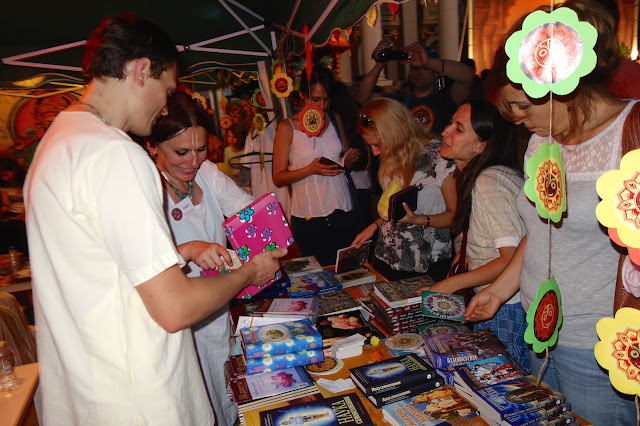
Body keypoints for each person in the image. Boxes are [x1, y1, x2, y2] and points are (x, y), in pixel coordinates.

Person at [24, 14, 285, 425]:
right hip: (139, 399)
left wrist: (185, 252)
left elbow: (110, 271)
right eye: (167, 90)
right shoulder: (113, 154)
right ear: (142, 70)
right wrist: (248, 272)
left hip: (89, 392)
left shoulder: (58, 142)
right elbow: (174, 308)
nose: (166, 105)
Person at [465, 1, 637, 423]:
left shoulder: (629, 136)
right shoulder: (544, 141)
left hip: (594, 345)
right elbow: (541, 230)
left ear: (564, 84)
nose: (519, 121)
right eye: (510, 111)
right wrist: (500, 290)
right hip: (537, 327)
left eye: (524, 107)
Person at [145, 90, 254, 426]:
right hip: (173, 323)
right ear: (153, 147)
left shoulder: (207, 173)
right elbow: (138, 267)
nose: (194, 161)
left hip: (215, 310)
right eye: (181, 152)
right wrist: (187, 250)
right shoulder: (144, 188)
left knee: (223, 400)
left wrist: (266, 236)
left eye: (201, 149)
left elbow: (247, 211)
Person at [414, 100, 528, 371]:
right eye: (451, 122)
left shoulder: (489, 182)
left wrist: (450, 285)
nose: (445, 131)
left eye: (459, 128)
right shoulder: (481, 175)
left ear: (481, 146)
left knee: (500, 383)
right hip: (497, 300)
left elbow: (510, 259)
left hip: (504, 305)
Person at [351, 98, 455, 281]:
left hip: (428, 262)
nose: (375, 152)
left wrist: (419, 220)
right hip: (387, 257)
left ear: (395, 134)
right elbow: (396, 206)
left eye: (378, 144)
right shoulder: (392, 154)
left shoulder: (441, 157)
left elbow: (455, 215)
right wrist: (374, 226)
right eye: (371, 146)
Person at [272, 65, 362, 266]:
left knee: (346, 270)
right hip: (309, 215)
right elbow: (278, 177)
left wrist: (351, 158)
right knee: (318, 274)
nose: (321, 106)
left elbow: (344, 156)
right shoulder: (287, 127)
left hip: (342, 209)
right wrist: (309, 170)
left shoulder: (334, 119)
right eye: (315, 99)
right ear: (303, 95)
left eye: (326, 99)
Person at [355, 42, 475, 136]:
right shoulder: (400, 101)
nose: (417, 72)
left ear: (435, 74)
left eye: (423, 68)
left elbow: (468, 76)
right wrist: (379, 64)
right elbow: (362, 99)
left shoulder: (445, 98)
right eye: (413, 68)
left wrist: (427, 62)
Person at [223, 122, 252, 193]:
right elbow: (226, 168)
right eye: (229, 136)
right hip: (235, 187)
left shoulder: (247, 151)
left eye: (234, 137)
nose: (231, 140)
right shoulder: (227, 151)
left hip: (249, 185)